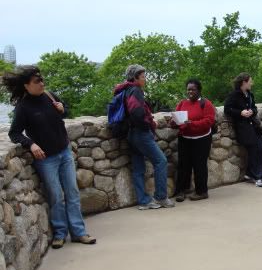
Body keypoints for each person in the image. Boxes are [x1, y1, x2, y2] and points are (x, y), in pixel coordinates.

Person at [4, 66, 96, 249]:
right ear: (26, 86)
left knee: (72, 192)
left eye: (42, 80)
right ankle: (60, 234)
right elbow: (14, 133)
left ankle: (79, 232)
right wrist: (31, 144)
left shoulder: (49, 96)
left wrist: (63, 109)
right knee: (56, 196)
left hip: (64, 152)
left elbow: (64, 113)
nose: (42, 84)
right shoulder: (23, 107)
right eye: (37, 81)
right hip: (46, 159)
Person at [114, 64, 175, 210]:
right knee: (160, 161)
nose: (145, 79)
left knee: (138, 168)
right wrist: (149, 123)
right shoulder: (135, 90)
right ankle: (161, 197)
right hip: (141, 133)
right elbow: (136, 113)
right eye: (143, 77)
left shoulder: (125, 90)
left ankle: (143, 201)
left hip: (131, 134)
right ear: (135, 78)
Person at [170, 79, 216, 202]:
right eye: (188, 89)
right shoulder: (182, 103)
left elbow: (209, 121)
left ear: (199, 90)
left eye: (193, 89)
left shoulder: (206, 104)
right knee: (183, 165)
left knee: (199, 166)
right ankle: (182, 191)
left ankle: (201, 192)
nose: (190, 91)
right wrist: (174, 122)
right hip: (185, 138)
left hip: (202, 139)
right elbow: (177, 118)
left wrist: (192, 124)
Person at [224, 73, 262, 187]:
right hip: (242, 127)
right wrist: (240, 113)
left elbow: (255, 108)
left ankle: (250, 173)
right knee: (254, 147)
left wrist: (252, 111)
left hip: (253, 126)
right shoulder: (234, 95)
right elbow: (227, 109)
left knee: (259, 147)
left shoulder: (250, 94)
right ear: (244, 82)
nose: (252, 83)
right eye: (250, 81)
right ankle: (257, 176)